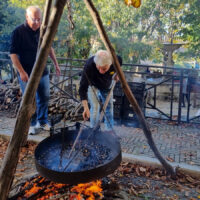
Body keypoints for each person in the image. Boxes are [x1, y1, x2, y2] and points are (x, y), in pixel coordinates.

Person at [10, 5, 60, 135]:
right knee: (29, 99)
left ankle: (42, 121)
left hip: (42, 71)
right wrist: (21, 72)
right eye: (34, 19)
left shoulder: (43, 30)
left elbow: (49, 48)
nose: (37, 22)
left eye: (39, 19)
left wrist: (56, 63)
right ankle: (31, 124)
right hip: (26, 72)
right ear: (27, 17)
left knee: (44, 96)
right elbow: (13, 54)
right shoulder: (18, 32)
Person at [79, 50, 122, 130]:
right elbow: (82, 88)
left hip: (107, 85)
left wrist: (116, 74)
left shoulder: (116, 60)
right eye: (99, 68)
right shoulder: (89, 66)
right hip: (93, 85)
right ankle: (94, 131)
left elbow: (120, 66)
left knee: (109, 108)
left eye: (104, 69)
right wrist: (85, 107)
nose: (101, 71)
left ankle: (109, 130)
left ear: (110, 64)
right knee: (95, 107)